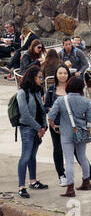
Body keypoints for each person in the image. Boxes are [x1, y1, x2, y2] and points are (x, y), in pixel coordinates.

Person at [45, 64, 91, 186]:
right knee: (58, 150)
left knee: (79, 153)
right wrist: (52, 119)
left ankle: (90, 175)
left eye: (65, 73)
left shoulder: (73, 88)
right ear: (56, 75)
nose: (62, 75)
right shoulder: (52, 90)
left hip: (74, 126)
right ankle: (61, 175)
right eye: (60, 73)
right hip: (57, 126)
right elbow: (46, 107)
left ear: (68, 75)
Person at [47, 76, 91, 197]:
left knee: (68, 161)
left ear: (69, 86)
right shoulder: (85, 101)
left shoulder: (61, 100)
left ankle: (70, 188)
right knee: (82, 157)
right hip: (81, 133)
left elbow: (50, 116)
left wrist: (54, 127)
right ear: (81, 87)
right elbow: (90, 118)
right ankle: (86, 182)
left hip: (66, 133)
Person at [16, 65, 48, 198]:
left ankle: (33, 181)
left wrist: (44, 126)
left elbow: (42, 110)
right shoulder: (22, 92)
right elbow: (25, 114)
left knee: (32, 156)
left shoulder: (36, 91)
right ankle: (21, 187)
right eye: (40, 77)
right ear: (32, 77)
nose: (42, 79)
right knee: (25, 156)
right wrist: (38, 128)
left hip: (38, 130)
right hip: (28, 129)